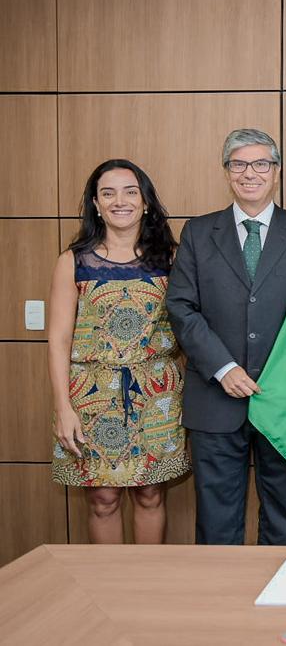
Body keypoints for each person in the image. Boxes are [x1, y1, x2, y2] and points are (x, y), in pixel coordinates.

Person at [167, 129, 286, 545]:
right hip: (215, 399)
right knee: (216, 519)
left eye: (261, 164)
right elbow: (180, 307)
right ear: (227, 172)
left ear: (277, 172)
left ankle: (280, 605)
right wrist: (223, 367)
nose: (250, 173)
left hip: (285, 400)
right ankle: (220, 606)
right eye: (239, 164)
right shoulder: (198, 232)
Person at [49, 159, 189, 543]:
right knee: (103, 498)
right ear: (95, 204)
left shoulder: (173, 259)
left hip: (156, 392)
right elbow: (58, 339)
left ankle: (144, 590)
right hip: (90, 396)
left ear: (145, 201)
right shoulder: (73, 261)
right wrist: (63, 408)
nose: (119, 201)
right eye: (107, 193)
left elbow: (193, 326)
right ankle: (107, 591)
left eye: (130, 191)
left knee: (149, 492)